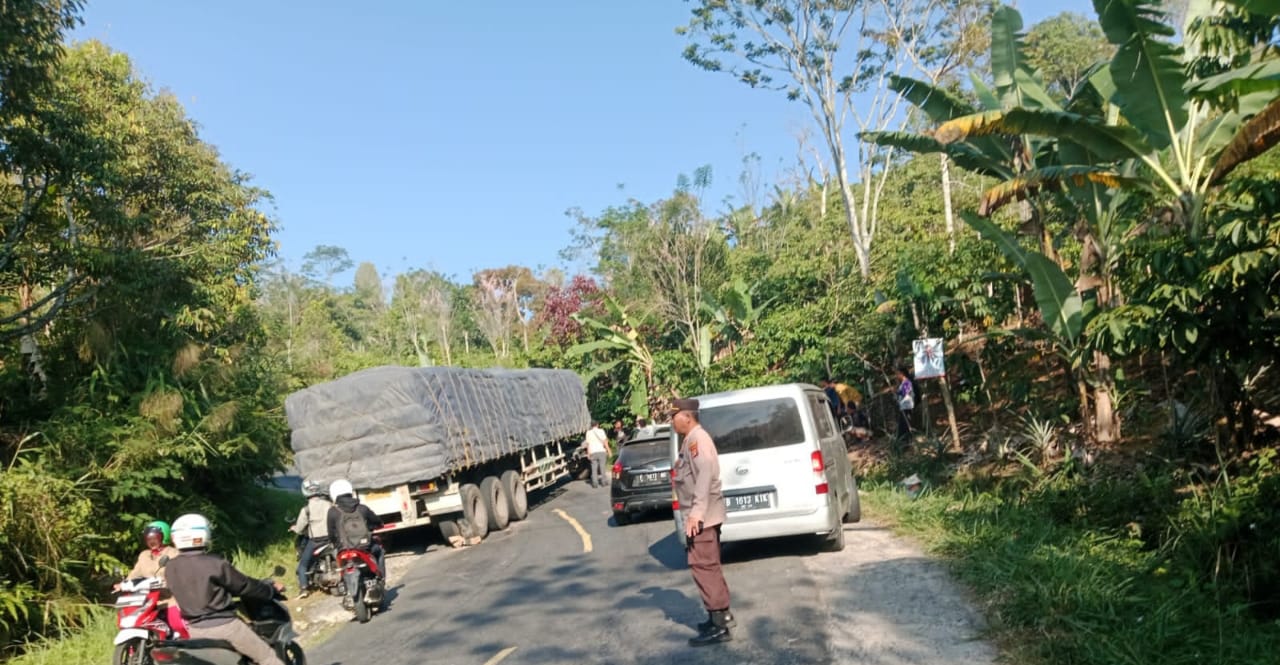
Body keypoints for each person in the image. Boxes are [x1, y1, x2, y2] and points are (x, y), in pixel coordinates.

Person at [165, 514, 287, 665]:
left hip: (195, 631)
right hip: (225, 626)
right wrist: (270, 590)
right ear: (203, 534)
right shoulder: (215, 563)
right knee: (267, 657)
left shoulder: (170, 567)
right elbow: (244, 586)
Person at [670, 397, 734, 647]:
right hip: (703, 516)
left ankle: (720, 626)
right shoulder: (690, 440)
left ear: (686, 416)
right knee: (708, 565)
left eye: (674, 417)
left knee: (704, 566)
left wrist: (695, 514)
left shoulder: (698, 440)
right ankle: (719, 615)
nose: (671, 422)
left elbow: (704, 478)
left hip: (703, 517)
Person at [115, 520, 185, 634]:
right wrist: (123, 584)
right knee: (130, 622)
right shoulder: (144, 555)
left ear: (164, 537)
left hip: (168, 599)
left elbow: (180, 574)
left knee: (177, 624)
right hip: (146, 600)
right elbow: (135, 573)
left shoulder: (174, 553)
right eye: (148, 539)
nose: (151, 542)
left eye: (154, 538)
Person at [326, 479, 386, 579]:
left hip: (343, 549)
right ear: (350, 491)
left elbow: (331, 534)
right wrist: (379, 524)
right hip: (364, 547)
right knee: (379, 551)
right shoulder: (362, 508)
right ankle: (381, 577)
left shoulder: (332, 511)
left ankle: (342, 583)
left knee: (337, 563)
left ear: (333, 494)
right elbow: (377, 521)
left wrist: (336, 544)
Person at [289, 479, 332, 598]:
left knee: (302, 565)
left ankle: (304, 589)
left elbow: (299, 528)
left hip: (315, 542)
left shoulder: (306, 509)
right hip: (330, 539)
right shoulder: (328, 504)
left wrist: (294, 528)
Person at [581, 421, 611, 488]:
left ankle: (595, 483)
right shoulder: (601, 431)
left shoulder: (588, 433)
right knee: (602, 467)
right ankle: (604, 482)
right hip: (601, 451)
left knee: (594, 468)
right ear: (597, 424)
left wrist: (588, 453)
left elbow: (587, 444)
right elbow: (605, 442)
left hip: (592, 452)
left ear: (591, 425)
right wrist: (609, 451)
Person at [895, 365, 916, 443]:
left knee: (905, 425)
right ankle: (903, 442)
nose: (897, 376)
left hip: (907, 406)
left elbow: (905, 392)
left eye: (898, 374)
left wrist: (898, 392)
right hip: (903, 406)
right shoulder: (903, 383)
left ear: (902, 374)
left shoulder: (907, 382)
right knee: (902, 425)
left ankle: (907, 442)